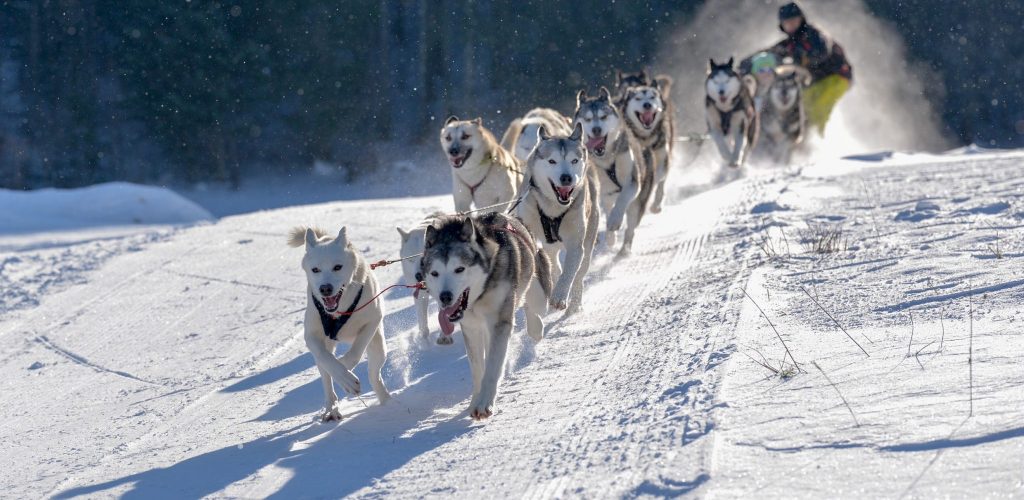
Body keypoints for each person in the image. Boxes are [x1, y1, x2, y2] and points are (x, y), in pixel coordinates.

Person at [768, 2, 853, 135]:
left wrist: (802, 57)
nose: (790, 25)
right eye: (787, 22)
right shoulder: (790, 42)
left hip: (838, 77)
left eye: (793, 21)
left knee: (819, 108)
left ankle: (818, 141)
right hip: (816, 82)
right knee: (803, 107)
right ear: (782, 25)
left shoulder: (813, 34)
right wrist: (751, 62)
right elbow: (770, 53)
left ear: (801, 19)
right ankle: (803, 140)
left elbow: (822, 51)